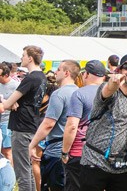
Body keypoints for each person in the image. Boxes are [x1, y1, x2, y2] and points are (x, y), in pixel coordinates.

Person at [79, 53, 127, 191]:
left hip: (121, 166)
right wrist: (113, 83)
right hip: (94, 160)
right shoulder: (109, 90)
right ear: (120, 70)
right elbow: (107, 91)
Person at [0, 46, 47, 191]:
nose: (21, 58)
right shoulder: (41, 77)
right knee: (28, 169)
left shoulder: (30, 78)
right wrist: (12, 103)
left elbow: (7, 104)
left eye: (23, 55)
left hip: (21, 127)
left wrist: (5, 101)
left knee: (22, 173)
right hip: (31, 124)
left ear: (30, 58)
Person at [29, 60, 79, 191]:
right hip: (76, 150)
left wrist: (32, 144)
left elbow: (48, 124)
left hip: (57, 151)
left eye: (59, 70)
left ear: (66, 73)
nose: (56, 72)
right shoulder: (80, 92)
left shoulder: (59, 94)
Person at [61, 61, 108, 191]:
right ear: (103, 76)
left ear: (86, 74)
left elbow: (71, 126)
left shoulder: (79, 93)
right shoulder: (114, 94)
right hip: (105, 152)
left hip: (80, 152)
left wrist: (65, 152)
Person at [0, 63, 19, 162]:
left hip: (7, 121)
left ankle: (12, 175)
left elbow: (17, 106)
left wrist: (4, 104)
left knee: (7, 151)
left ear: (6, 75)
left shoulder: (16, 86)